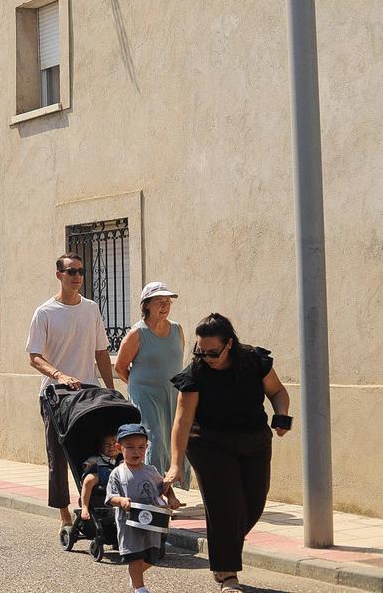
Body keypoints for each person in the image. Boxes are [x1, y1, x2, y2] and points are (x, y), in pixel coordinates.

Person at [164, 314, 291, 592]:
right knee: (225, 506)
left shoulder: (254, 361)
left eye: (213, 352)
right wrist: (175, 464)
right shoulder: (196, 373)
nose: (206, 357)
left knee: (254, 504)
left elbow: (278, 392)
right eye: (200, 351)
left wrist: (281, 415)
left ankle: (225, 545)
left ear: (229, 344)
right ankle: (227, 574)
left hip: (254, 440)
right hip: (209, 443)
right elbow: (182, 421)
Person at [25, 252, 115, 533]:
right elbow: (34, 356)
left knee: (95, 452)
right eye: (71, 271)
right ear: (59, 275)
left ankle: (94, 507)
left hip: (88, 395)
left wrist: (111, 390)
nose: (77, 276)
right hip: (55, 396)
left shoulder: (91, 309)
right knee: (59, 457)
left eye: (80, 271)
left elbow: (101, 352)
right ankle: (64, 513)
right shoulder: (45, 312)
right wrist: (59, 375)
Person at [115, 282, 191, 489]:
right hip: (146, 396)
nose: (165, 306)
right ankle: (152, 489)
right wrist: (140, 387)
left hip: (172, 394)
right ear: (146, 304)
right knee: (155, 441)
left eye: (168, 302)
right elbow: (120, 367)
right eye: (160, 302)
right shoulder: (137, 333)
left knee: (175, 440)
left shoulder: (177, 330)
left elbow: (175, 362)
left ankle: (172, 488)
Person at [106, 423, 182, 593]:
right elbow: (111, 497)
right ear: (119, 448)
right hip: (130, 523)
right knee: (136, 555)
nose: (136, 451)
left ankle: (135, 575)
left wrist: (172, 498)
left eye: (141, 447)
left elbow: (164, 487)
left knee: (152, 557)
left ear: (146, 448)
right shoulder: (118, 473)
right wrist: (121, 501)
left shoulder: (151, 470)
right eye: (130, 447)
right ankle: (139, 587)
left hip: (152, 522)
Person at [78, 433, 120, 522]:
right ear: (100, 448)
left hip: (116, 480)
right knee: (89, 479)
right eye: (107, 444)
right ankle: (85, 506)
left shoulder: (122, 460)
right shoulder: (97, 458)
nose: (111, 446)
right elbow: (87, 465)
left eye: (114, 443)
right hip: (101, 476)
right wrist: (87, 466)